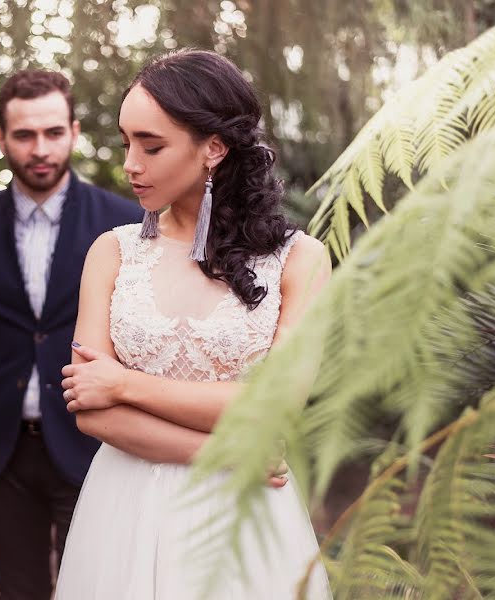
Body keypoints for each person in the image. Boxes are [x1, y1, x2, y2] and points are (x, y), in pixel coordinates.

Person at [54, 50, 333, 599]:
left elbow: (274, 408)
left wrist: (125, 384)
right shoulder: (111, 253)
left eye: (151, 145)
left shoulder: (301, 260)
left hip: (244, 519)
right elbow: (92, 413)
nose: (131, 163)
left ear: (214, 147)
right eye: (126, 141)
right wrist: (226, 452)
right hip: (123, 507)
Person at [0, 69, 144, 600]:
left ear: (72, 131)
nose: (39, 148)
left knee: (91, 590)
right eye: (24, 135)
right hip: (1, 455)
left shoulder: (126, 224)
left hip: (93, 446)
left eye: (52, 132)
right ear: (0, 139)